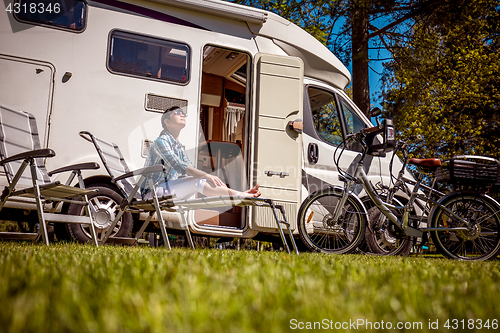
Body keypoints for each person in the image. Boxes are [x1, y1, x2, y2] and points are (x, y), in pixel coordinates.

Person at [142, 106, 261, 200]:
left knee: (201, 179)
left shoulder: (178, 147)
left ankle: (238, 194)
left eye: (182, 112)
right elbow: (178, 165)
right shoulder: (161, 142)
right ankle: (239, 195)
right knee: (200, 179)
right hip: (152, 192)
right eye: (177, 113)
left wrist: (207, 178)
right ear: (167, 122)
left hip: (166, 189)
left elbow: (192, 170)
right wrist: (207, 176)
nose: (182, 114)